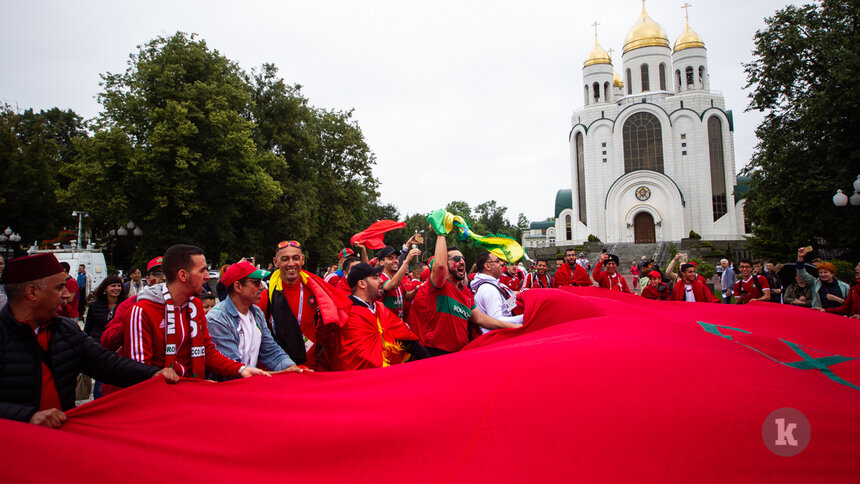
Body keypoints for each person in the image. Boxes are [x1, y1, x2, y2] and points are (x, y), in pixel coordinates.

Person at [0, 253, 178, 428]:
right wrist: (27, 417)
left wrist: (152, 374)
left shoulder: (65, 330)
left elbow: (106, 364)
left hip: (56, 439)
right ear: (32, 292)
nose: (66, 295)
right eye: (59, 287)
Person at [125, 244, 270, 379]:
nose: (207, 277)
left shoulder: (196, 306)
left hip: (190, 392)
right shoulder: (142, 311)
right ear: (183, 276)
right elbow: (138, 372)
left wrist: (242, 370)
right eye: (202, 271)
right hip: (159, 399)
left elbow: (208, 351)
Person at [407, 229, 518, 357]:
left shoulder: (465, 292)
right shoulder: (438, 286)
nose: (462, 261)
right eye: (456, 258)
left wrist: (513, 326)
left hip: (460, 354)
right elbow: (440, 267)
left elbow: (480, 318)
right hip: (437, 355)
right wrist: (441, 233)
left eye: (463, 258)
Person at [258, 240, 351, 370]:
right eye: (285, 259)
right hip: (278, 368)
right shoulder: (265, 298)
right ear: (275, 262)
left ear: (302, 260)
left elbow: (335, 316)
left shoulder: (316, 290)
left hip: (310, 365)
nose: (291, 264)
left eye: (295, 258)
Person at [206, 261, 301, 380]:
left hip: (249, 385)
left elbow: (270, 349)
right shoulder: (217, 319)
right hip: (227, 391)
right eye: (256, 283)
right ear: (238, 287)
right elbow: (232, 367)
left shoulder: (256, 313)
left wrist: (290, 367)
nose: (262, 287)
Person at [327, 262, 427, 371]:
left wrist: (429, 361)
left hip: (383, 377)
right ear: (362, 284)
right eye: (375, 278)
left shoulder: (380, 308)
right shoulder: (345, 313)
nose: (381, 281)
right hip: (356, 381)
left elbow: (405, 337)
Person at [470, 251, 524, 333]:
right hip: (498, 338)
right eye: (498, 261)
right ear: (487, 266)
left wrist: (519, 297)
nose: (502, 263)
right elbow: (496, 320)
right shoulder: (488, 289)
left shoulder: (494, 285)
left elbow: (505, 307)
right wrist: (524, 318)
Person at [377, 245, 422, 321]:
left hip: (398, 324)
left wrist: (416, 290)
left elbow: (407, 297)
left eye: (396, 258)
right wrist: (407, 261)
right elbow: (392, 285)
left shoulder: (397, 279)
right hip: (387, 326)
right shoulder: (381, 279)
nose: (396, 261)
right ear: (381, 263)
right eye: (391, 258)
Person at [84, 275, 128, 342]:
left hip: (117, 343)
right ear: (105, 288)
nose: (116, 288)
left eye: (119, 286)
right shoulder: (94, 305)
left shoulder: (126, 305)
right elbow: (88, 327)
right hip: (97, 342)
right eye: (113, 286)